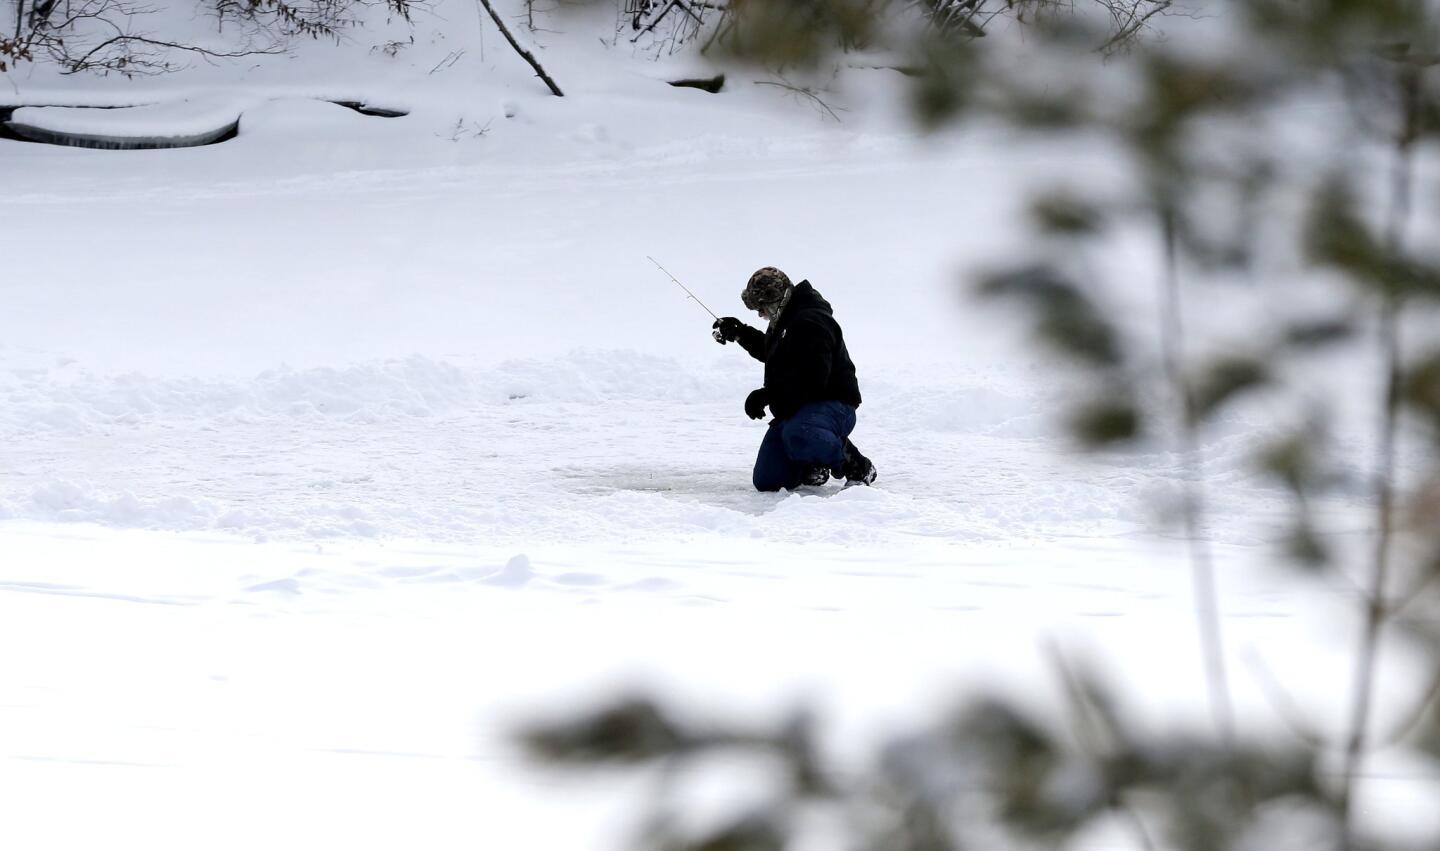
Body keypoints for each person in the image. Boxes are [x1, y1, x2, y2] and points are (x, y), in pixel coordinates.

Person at [712, 266, 878, 491]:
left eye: (760, 308)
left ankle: (856, 466)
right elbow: (774, 352)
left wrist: (768, 394)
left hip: (832, 405)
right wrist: (740, 332)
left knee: (801, 433)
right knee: (768, 480)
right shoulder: (785, 320)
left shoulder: (812, 321)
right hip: (797, 408)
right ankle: (812, 463)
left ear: (773, 300)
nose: (760, 315)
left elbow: (814, 379)